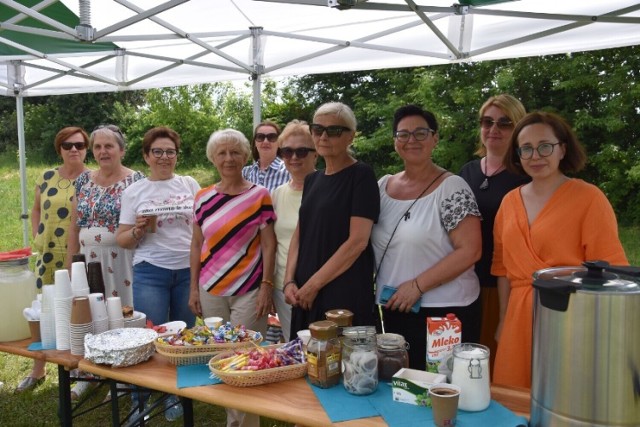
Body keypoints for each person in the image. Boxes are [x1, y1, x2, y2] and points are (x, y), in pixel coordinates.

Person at [492, 111, 628, 388]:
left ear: (562, 149)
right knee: (512, 399)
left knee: (563, 396)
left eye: (545, 146)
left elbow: (611, 270)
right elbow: (502, 268)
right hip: (518, 319)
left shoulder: (589, 198)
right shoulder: (508, 203)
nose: (535, 155)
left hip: (571, 315)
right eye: (526, 149)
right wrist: (503, 319)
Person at [371, 104, 482, 370]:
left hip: (445, 312)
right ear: (395, 142)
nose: (412, 140)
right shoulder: (381, 187)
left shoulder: (452, 187)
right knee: (402, 386)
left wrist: (417, 287)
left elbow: (470, 250)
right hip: (396, 308)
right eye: (403, 134)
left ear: (435, 139)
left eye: (421, 133)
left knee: (441, 393)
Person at [189, 128, 276, 427]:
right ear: (213, 158)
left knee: (246, 357)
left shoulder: (259, 195)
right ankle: (234, 418)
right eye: (222, 153)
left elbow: (269, 244)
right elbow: (196, 244)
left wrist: (267, 286)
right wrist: (193, 289)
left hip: (250, 289)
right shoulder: (202, 198)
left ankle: (243, 423)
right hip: (211, 289)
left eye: (235, 152)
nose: (228, 158)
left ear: (245, 156)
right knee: (222, 355)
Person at [116, 127, 199, 421]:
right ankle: (141, 400)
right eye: (158, 152)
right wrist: (136, 230)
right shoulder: (135, 191)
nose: (164, 157)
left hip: (187, 271)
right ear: (146, 156)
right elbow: (122, 239)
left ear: (177, 155)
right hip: (150, 270)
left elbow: (201, 229)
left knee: (181, 339)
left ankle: (174, 395)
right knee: (148, 336)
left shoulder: (190, 184)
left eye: (170, 152)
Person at [284, 102, 380, 337]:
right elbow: (300, 234)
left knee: (341, 365)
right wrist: (288, 282)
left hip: (341, 292)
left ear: (351, 137)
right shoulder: (312, 180)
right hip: (305, 291)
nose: (324, 136)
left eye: (334, 130)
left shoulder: (361, 175)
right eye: (318, 129)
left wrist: (313, 285)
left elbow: (357, 242)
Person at [66, 124, 144, 399]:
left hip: (122, 259)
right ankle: (90, 373)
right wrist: (69, 266)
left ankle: (122, 378)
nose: (102, 151)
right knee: (90, 314)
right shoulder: (83, 182)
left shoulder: (136, 181)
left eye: (108, 146)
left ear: (121, 150)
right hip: (88, 260)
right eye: (97, 146)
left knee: (122, 314)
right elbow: (74, 227)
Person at [16, 127, 90, 393]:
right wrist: (37, 234)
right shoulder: (46, 177)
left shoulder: (92, 179)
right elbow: (36, 210)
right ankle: (39, 366)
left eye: (80, 145)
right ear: (59, 148)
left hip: (78, 255)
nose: (74, 150)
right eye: (68, 145)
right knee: (44, 309)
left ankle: (82, 370)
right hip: (47, 254)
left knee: (78, 310)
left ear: (86, 149)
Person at [458, 94, 529, 373]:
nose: (494, 129)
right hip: (462, 282)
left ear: (518, 128)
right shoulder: (467, 172)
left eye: (504, 123)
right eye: (487, 121)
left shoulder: (525, 176)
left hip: (502, 286)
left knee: (494, 365)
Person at [271, 120, 318, 342]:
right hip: (284, 288)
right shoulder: (277, 194)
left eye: (302, 151)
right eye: (287, 151)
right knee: (295, 347)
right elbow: (272, 243)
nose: (294, 157)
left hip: (320, 285)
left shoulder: (328, 189)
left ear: (316, 153)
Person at [242, 121, 290, 191]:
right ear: (255, 142)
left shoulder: (289, 171)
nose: (265, 141)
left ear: (279, 142)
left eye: (272, 137)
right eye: (260, 137)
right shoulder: (245, 173)